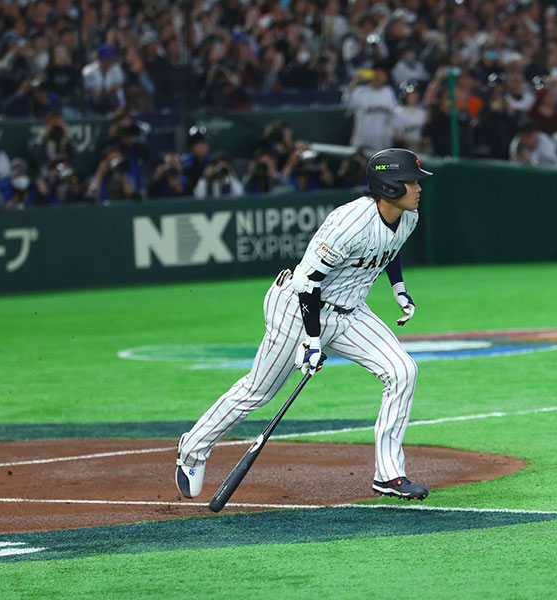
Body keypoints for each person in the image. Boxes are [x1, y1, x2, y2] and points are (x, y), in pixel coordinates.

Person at [176, 148, 432, 501]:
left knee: (403, 370)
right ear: (389, 187)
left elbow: (391, 247)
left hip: (350, 310)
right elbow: (307, 283)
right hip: (297, 309)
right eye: (411, 181)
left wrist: (400, 290)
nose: (419, 188)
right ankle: (192, 448)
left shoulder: (408, 217)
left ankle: (389, 475)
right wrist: (312, 341)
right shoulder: (348, 223)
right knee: (258, 392)